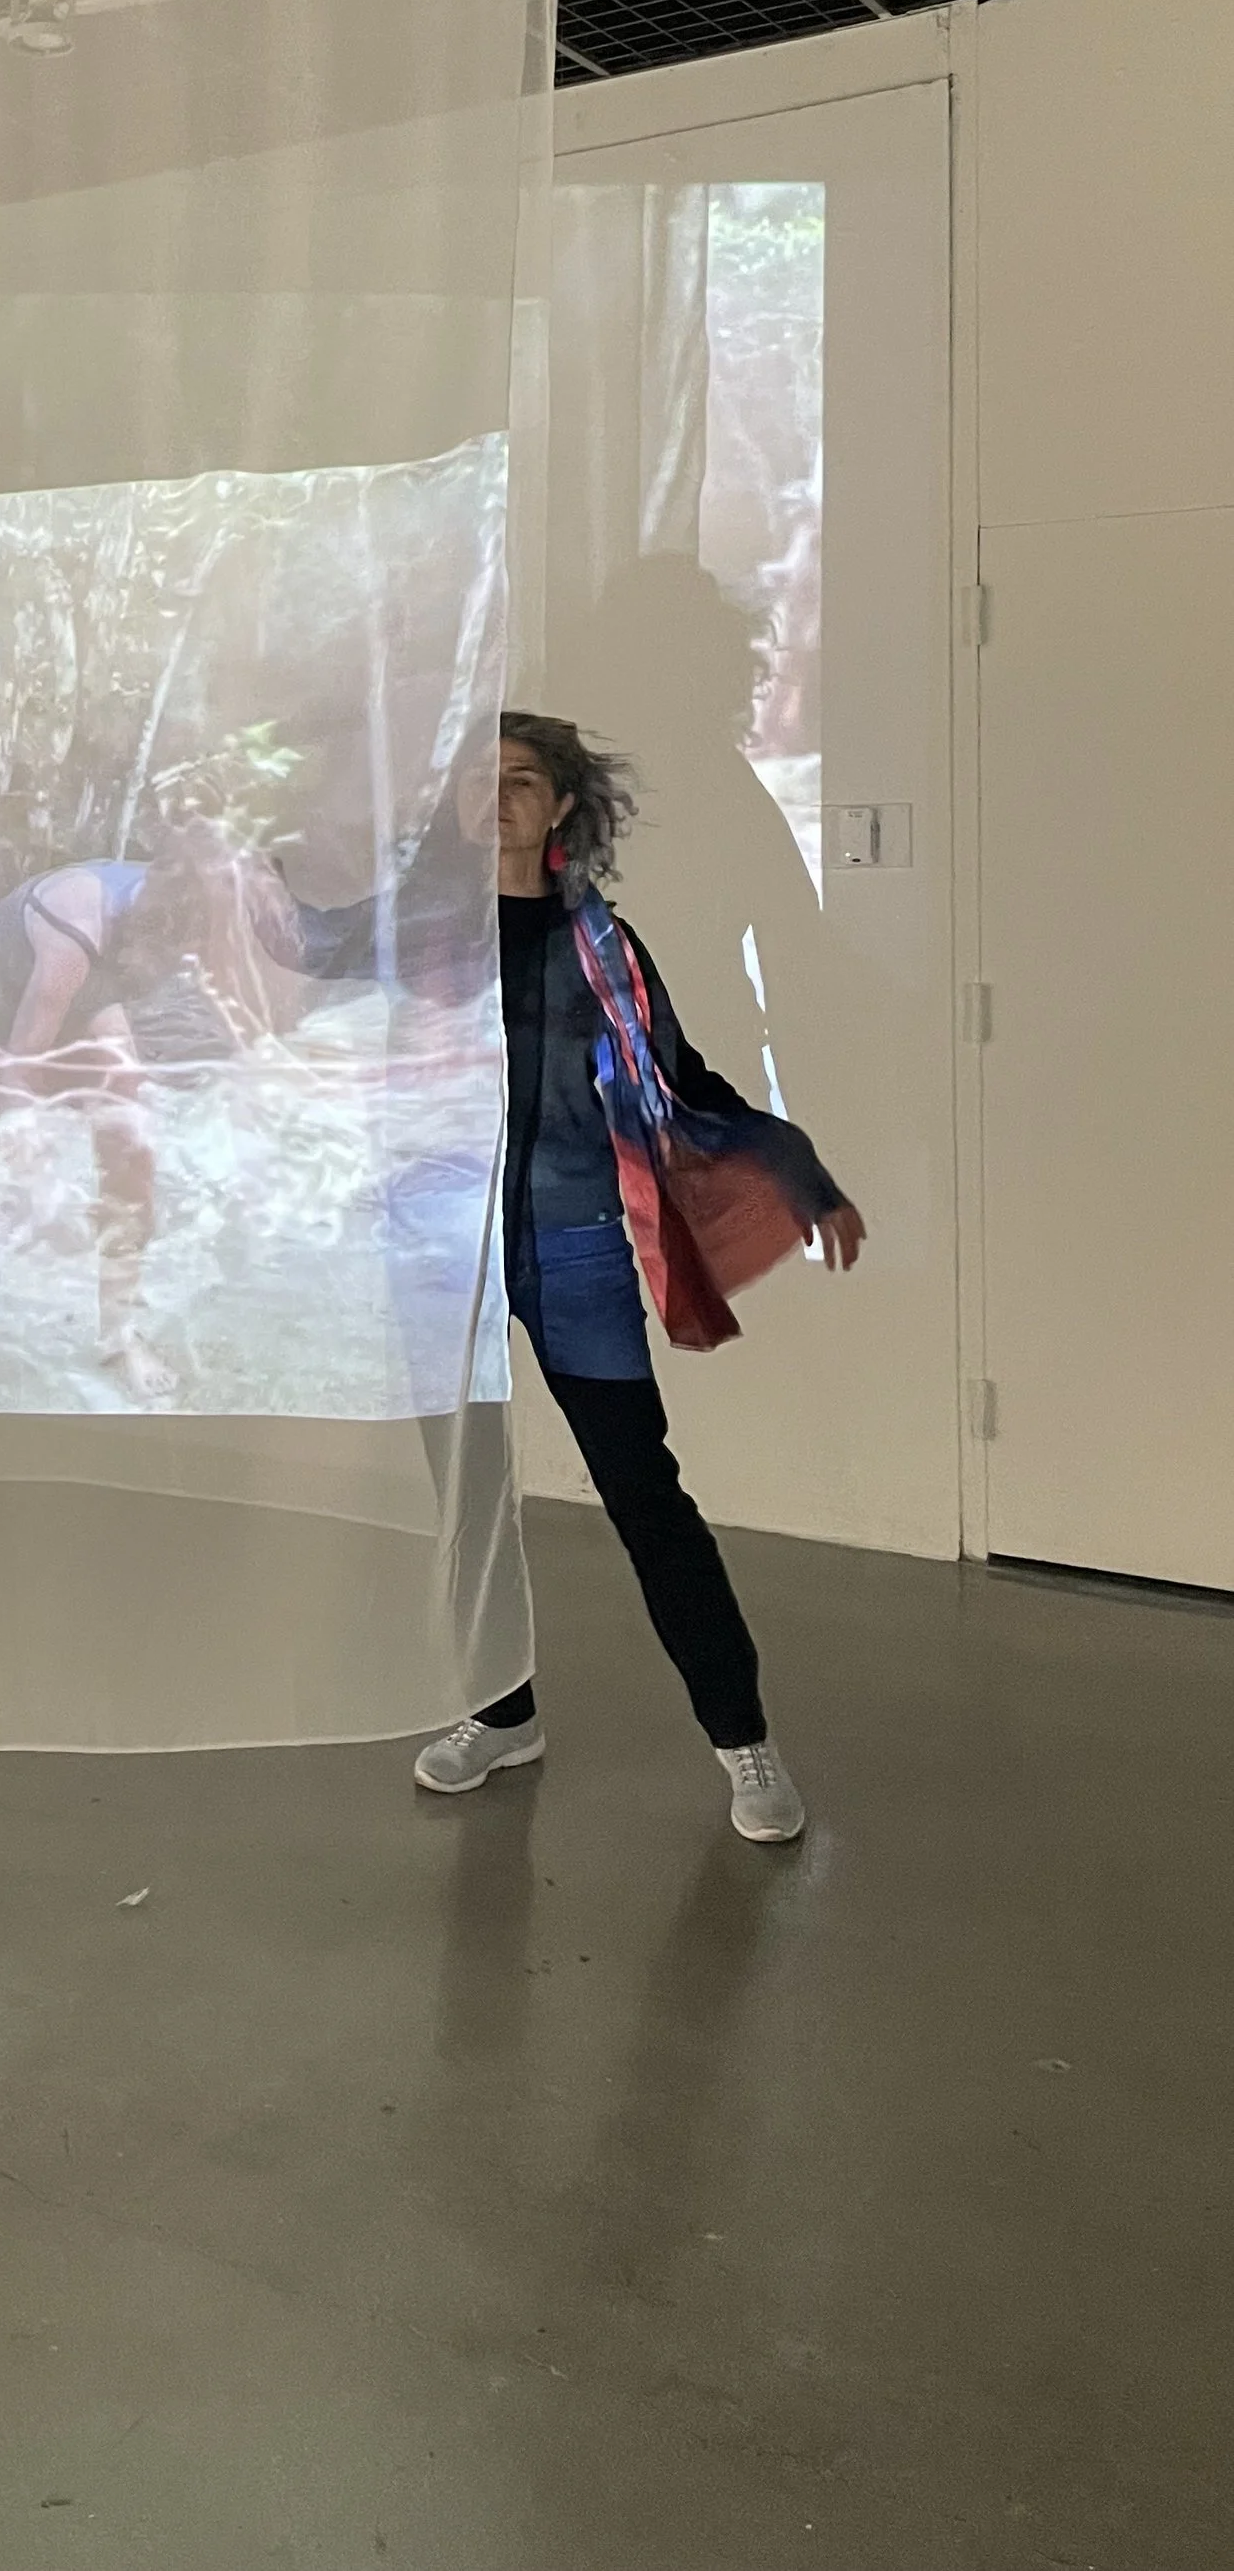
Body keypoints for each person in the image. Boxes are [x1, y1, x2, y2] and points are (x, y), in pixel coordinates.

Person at [412, 714, 865, 1844]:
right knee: (464, 1502)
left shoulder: (600, 946)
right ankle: (500, 1713)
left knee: (642, 1495)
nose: (498, 798)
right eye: (481, 781)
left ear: (563, 807)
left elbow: (678, 1075)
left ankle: (742, 1743)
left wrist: (794, 1168)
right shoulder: (419, 936)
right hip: (440, 1247)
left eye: (522, 781)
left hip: (569, 1242)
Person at [0, 807, 303, 1404]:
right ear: (168, 918)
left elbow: (231, 994)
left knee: (132, 1147)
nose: (205, 949)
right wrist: (30, 1154)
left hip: (80, 995)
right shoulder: (78, 925)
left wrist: (265, 1064)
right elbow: (18, 1065)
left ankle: (119, 1333)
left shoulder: (192, 906)